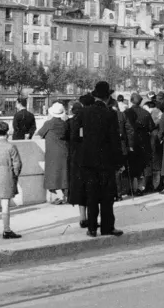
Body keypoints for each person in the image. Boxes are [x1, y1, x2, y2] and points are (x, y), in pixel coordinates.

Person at [70, 81, 124, 237]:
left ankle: (92, 228)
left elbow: (73, 135)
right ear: (108, 97)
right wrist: (118, 161)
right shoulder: (111, 114)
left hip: (87, 160)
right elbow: (115, 140)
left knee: (91, 194)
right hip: (106, 160)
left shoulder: (83, 112)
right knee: (107, 196)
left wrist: (82, 148)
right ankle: (107, 227)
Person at [36, 102, 69, 204]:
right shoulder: (65, 124)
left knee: (53, 176)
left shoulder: (49, 123)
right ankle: (65, 196)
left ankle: (60, 196)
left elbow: (39, 134)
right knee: (64, 175)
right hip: (64, 151)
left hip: (53, 153)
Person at [125, 92, 157, 195]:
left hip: (130, 141)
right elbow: (151, 127)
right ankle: (140, 188)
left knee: (130, 165)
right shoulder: (146, 113)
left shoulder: (126, 112)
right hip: (143, 141)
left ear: (131, 100)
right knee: (142, 166)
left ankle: (130, 188)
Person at [67, 98, 88, 229]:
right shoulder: (88, 123)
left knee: (79, 188)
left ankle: (82, 217)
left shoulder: (69, 123)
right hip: (88, 157)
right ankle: (89, 217)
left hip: (75, 158)